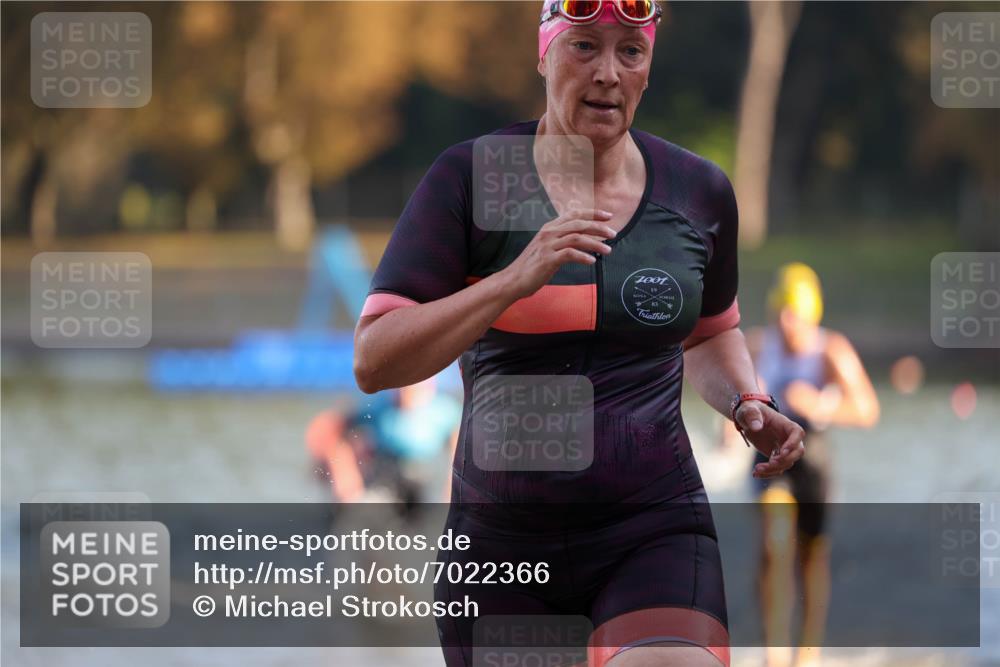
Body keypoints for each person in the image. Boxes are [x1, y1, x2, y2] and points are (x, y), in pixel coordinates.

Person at [353, 2, 806, 666]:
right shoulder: (471, 178)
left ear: (649, 68)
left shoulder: (697, 191)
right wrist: (511, 279)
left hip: (652, 526)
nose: (607, 74)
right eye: (584, 46)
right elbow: (374, 360)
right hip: (502, 544)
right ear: (543, 53)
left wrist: (748, 402)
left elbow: (710, 333)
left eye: (630, 51)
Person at [734, 262, 880, 667]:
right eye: (779, 311)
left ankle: (807, 653)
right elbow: (733, 392)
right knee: (772, 542)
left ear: (811, 312)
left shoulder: (830, 350)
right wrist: (727, 428)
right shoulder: (760, 345)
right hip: (770, 452)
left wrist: (819, 405)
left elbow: (868, 409)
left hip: (814, 458)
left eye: (793, 313)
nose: (786, 322)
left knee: (811, 556)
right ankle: (773, 653)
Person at [305, 376, 461, 505]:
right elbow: (327, 427)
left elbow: (460, 457)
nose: (405, 391)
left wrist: (452, 493)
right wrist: (343, 468)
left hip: (424, 482)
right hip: (384, 479)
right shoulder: (378, 408)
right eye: (401, 386)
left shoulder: (446, 412)